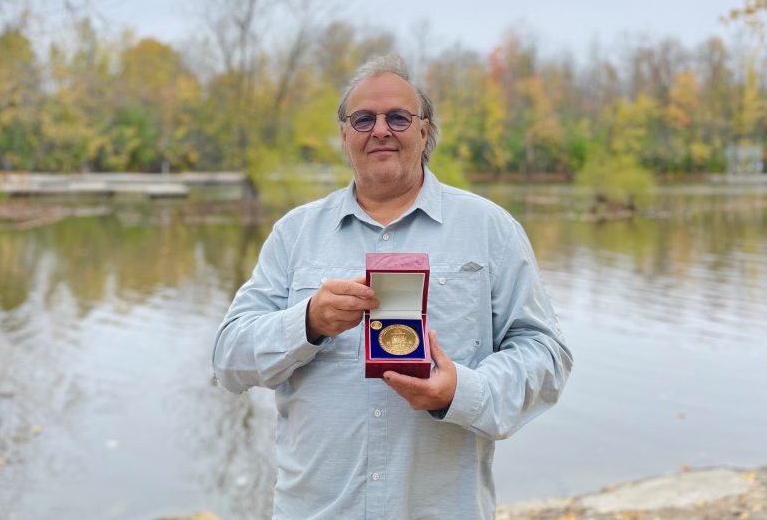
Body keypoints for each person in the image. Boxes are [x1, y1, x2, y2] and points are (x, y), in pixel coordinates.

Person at [213, 54, 572, 520]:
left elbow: (547, 354)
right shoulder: (294, 233)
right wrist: (308, 321)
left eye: (398, 117)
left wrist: (461, 391)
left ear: (424, 132)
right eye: (363, 119)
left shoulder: (489, 229)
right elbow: (228, 360)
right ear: (344, 135)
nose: (380, 129)